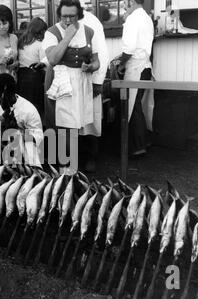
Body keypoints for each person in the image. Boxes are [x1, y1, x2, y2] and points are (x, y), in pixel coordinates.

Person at [42, 0, 100, 172]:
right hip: (59, 82)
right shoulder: (52, 33)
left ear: (79, 15)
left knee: (76, 124)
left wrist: (91, 67)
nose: (67, 20)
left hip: (80, 82)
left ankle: (72, 169)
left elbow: (96, 61)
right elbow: (52, 59)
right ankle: (62, 170)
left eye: (71, 16)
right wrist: (67, 36)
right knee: (60, 124)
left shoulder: (89, 32)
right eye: (64, 16)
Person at [117, 0, 154, 157]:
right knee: (137, 105)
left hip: (136, 68)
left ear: (131, 1)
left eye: (126, 2)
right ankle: (143, 141)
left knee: (132, 107)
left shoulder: (132, 19)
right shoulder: (146, 17)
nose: (125, 5)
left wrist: (120, 63)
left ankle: (137, 146)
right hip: (145, 67)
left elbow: (129, 49)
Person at [0, 73, 44, 167]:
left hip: (22, 150)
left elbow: (38, 135)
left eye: (0, 96)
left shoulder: (28, 109)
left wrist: (20, 132)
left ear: (10, 93)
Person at [79, 0, 110, 171]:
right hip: (71, 80)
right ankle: (76, 157)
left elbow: (102, 53)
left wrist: (98, 81)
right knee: (73, 120)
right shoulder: (63, 21)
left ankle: (92, 157)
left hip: (90, 78)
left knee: (90, 120)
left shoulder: (91, 21)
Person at [17, 17, 48, 118]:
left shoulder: (21, 42)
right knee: (35, 110)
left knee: (23, 108)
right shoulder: (40, 44)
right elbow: (44, 64)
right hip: (35, 78)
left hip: (21, 77)